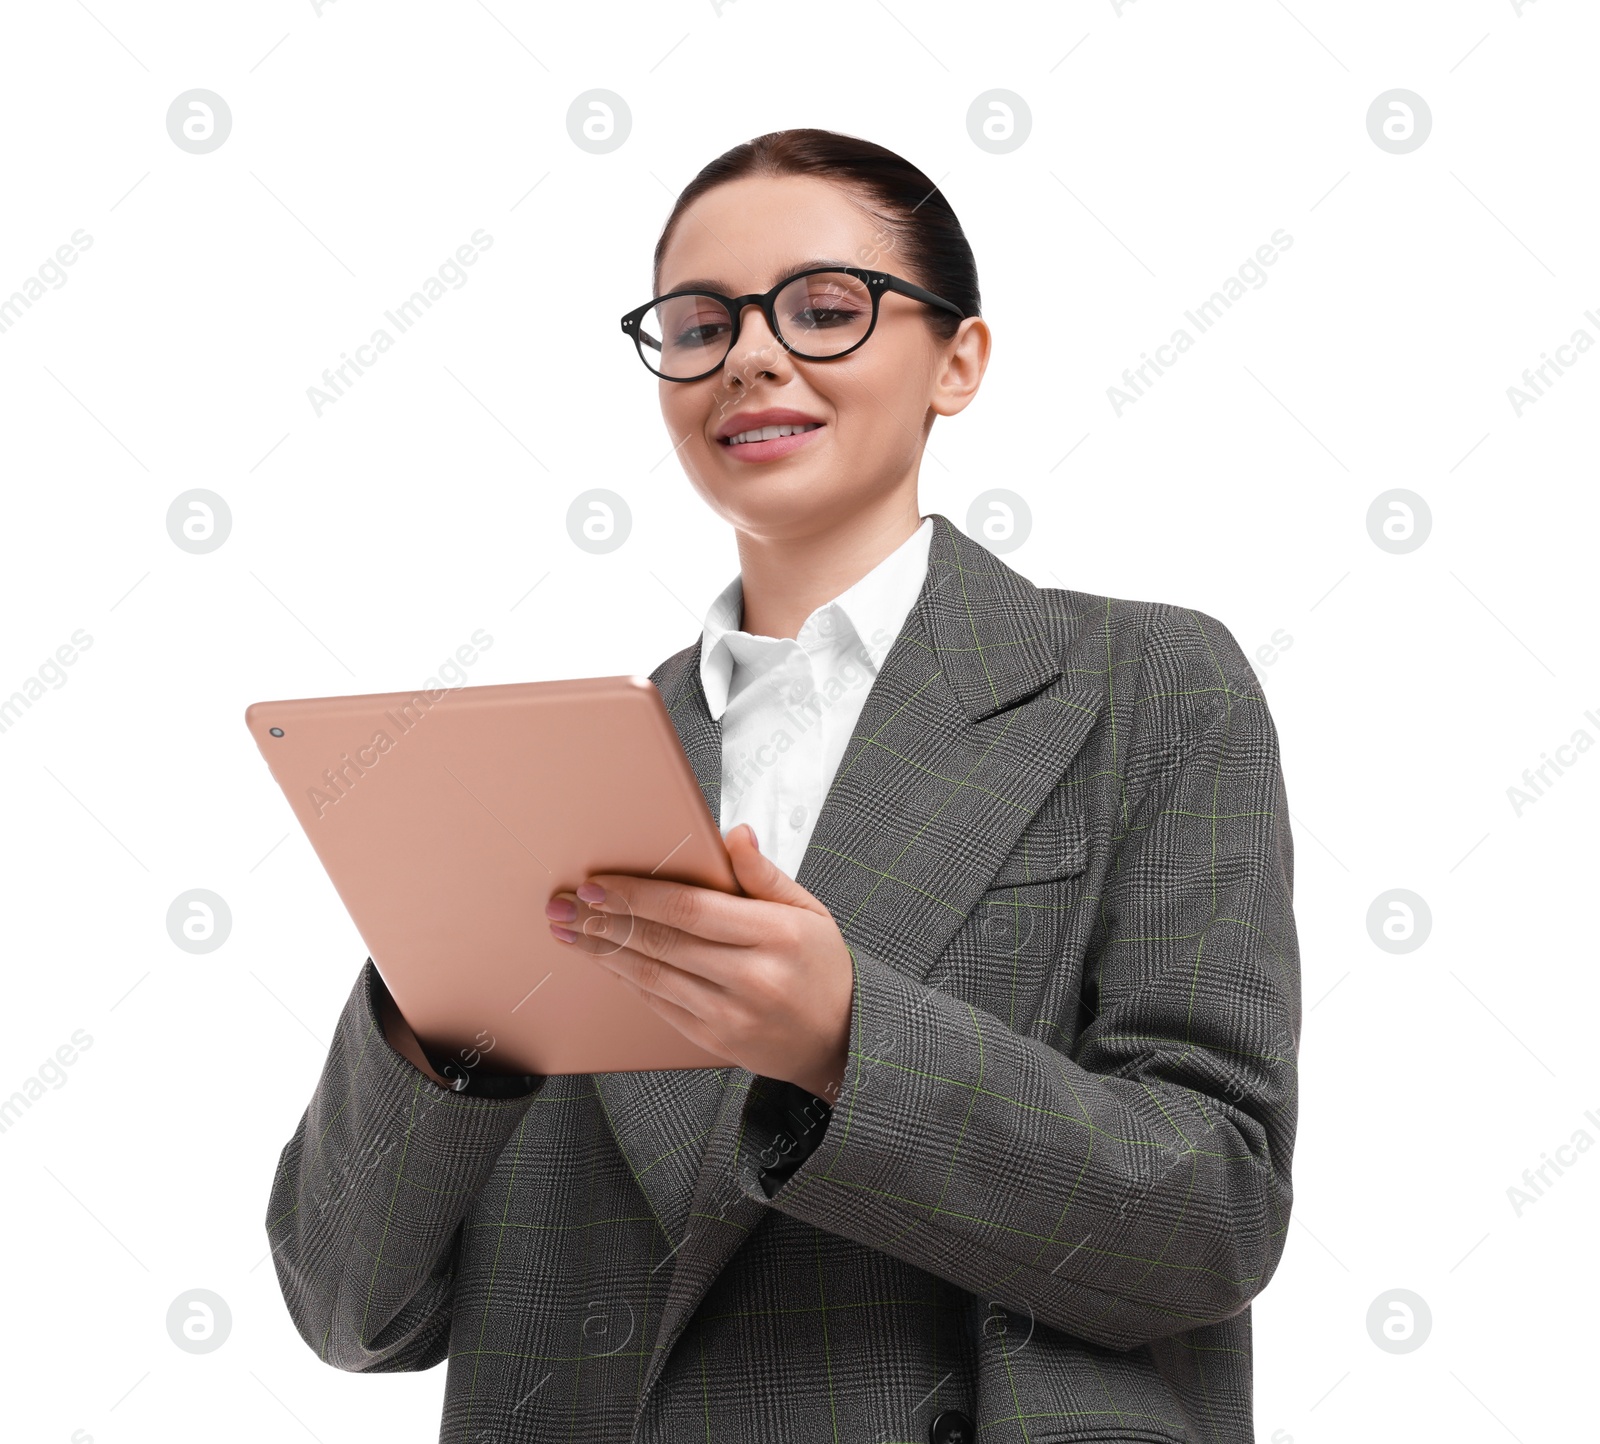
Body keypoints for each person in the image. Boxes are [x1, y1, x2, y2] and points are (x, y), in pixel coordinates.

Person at [265, 127, 1301, 1444]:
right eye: (700, 324)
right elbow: (354, 1313)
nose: (751, 354)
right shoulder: (564, 777)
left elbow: (1207, 1220)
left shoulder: (1143, 684)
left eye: (825, 309)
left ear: (959, 360)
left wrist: (844, 1041)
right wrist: (438, 1029)